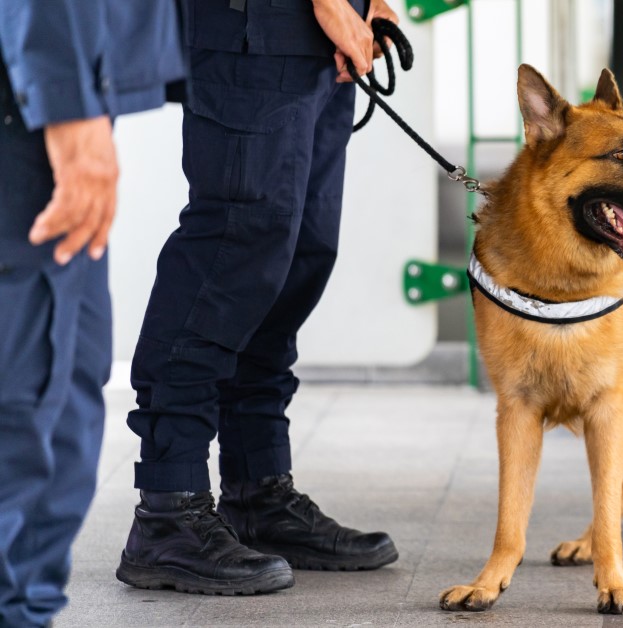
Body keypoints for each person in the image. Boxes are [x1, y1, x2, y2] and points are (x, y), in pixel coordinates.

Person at [115, 0, 402, 595]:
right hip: (253, 22)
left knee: (297, 254)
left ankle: (258, 492)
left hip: (319, 38)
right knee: (232, 248)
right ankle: (170, 507)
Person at [0, 3, 187, 626]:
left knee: (68, 385)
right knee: (28, 402)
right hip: (34, 89)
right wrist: (68, 101)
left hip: (55, 80)